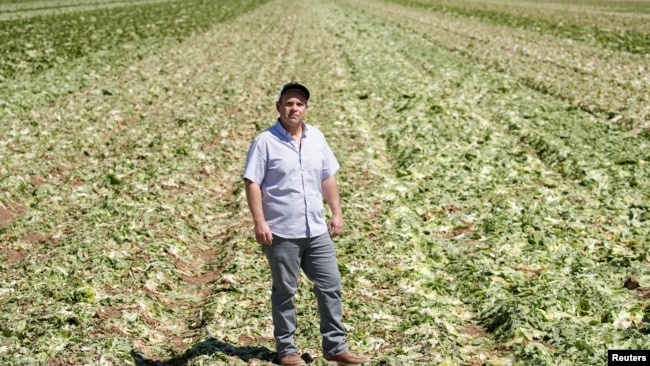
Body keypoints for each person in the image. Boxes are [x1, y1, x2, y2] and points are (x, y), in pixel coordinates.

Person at [243, 82, 371, 366]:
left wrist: (336, 212)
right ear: (278, 107)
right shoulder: (265, 141)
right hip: (281, 232)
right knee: (285, 290)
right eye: (288, 103)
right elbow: (252, 183)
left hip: (316, 230)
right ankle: (287, 350)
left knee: (330, 286)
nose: (294, 108)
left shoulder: (317, 138)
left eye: (299, 104)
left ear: (306, 109)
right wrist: (259, 221)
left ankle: (335, 347)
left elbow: (328, 177)